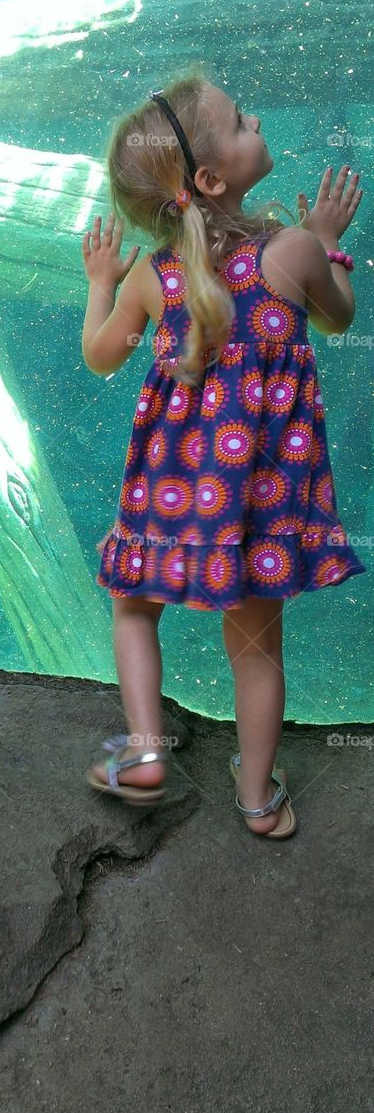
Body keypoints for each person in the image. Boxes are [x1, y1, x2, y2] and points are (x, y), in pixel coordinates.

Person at [80, 69, 367, 839]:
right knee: (254, 649)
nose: (257, 120)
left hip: (169, 495)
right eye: (242, 121)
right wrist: (331, 243)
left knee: (132, 610)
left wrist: (99, 285)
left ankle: (144, 753)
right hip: (260, 500)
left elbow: (101, 357)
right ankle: (255, 800)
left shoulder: (151, 276)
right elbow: (337, 321)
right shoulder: (294, 252)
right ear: (209, 178)